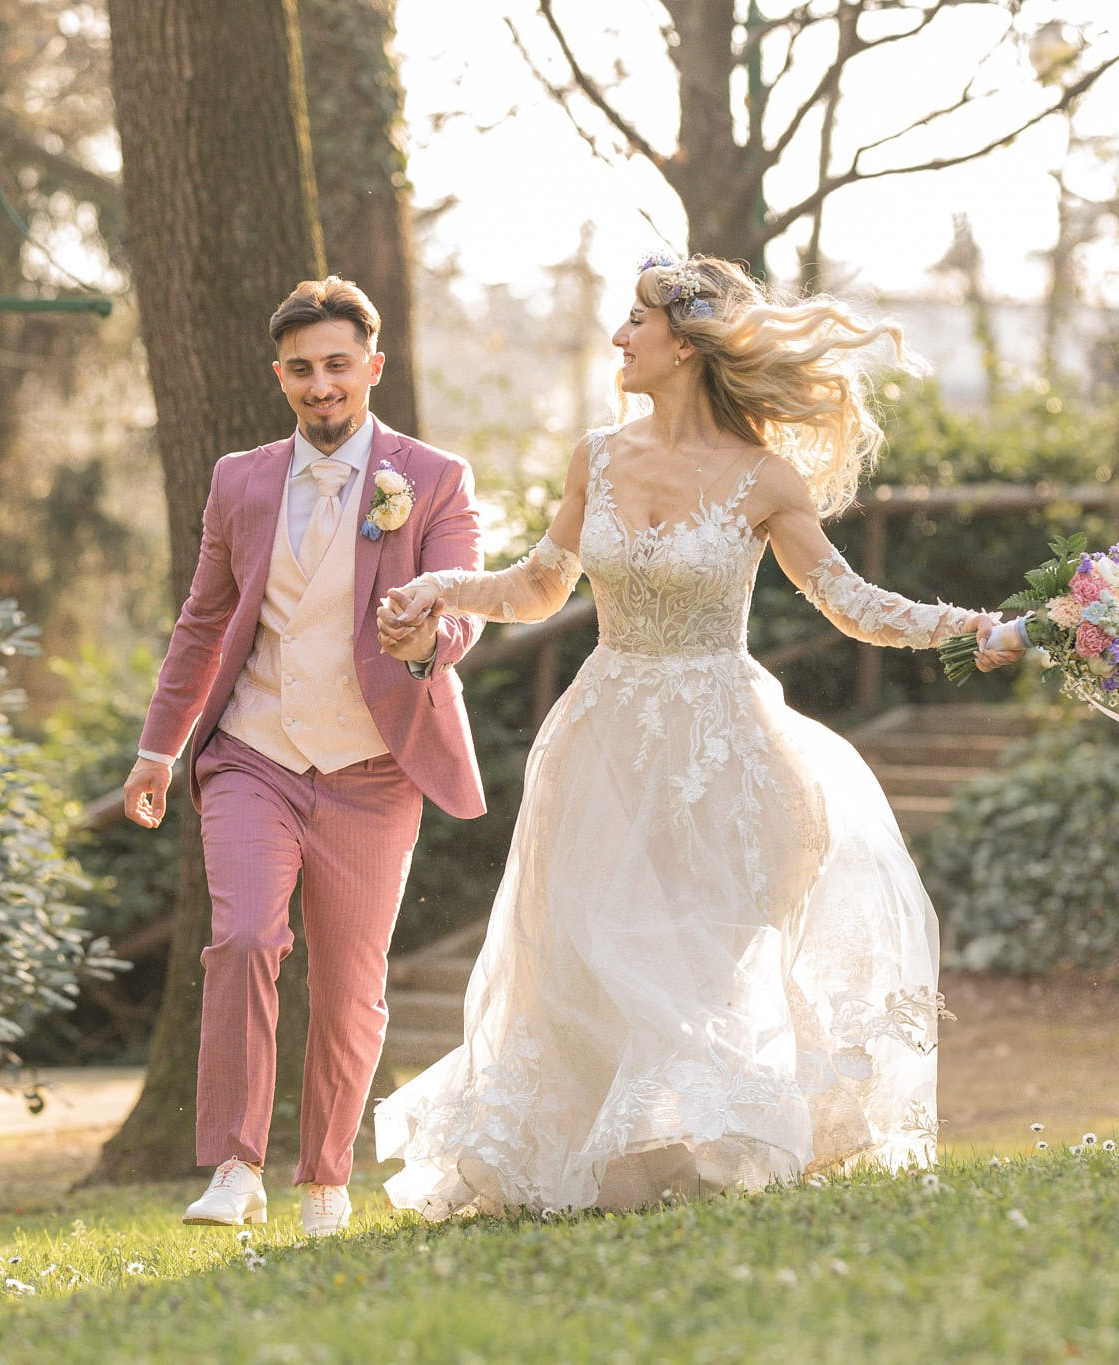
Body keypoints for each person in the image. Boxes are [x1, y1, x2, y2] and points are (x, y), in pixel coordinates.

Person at [371, 253, 1024, 1219]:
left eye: (636, 321)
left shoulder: (766, 478)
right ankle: (600, 1156)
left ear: (685, 342)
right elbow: (542, 584)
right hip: (603, 744)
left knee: (700, 956)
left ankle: (705, 1142)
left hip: (726, 749)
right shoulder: (595, 455)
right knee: (586, 950)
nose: (619, 338)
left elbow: (849, 603)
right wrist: (440, 589)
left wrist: (970, 627)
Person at [122, 276, 488, 1236]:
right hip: (255, 753)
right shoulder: (238, 480)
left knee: (352, 983)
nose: (321, 385)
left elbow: (460, 608)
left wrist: (426, 642)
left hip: (374, 770)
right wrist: (160, 749)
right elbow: (204, 622)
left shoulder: (434, 477)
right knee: (243, 937)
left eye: (337, 365)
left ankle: (327, 1178)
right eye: (301, 369)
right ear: (278, 375)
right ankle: (235, 1164)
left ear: (373, 367)